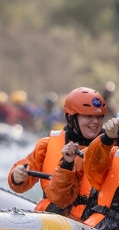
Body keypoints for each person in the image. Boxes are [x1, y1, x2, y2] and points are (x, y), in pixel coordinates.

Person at [7, 87, 107, 220]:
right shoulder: (47, 145)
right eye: (88, 116)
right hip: (53, 218)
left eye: (99, 117)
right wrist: (17, 177)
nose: (95, 122)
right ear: (71, 118)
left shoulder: (112, 148)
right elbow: (19, 184)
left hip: (92, 223)